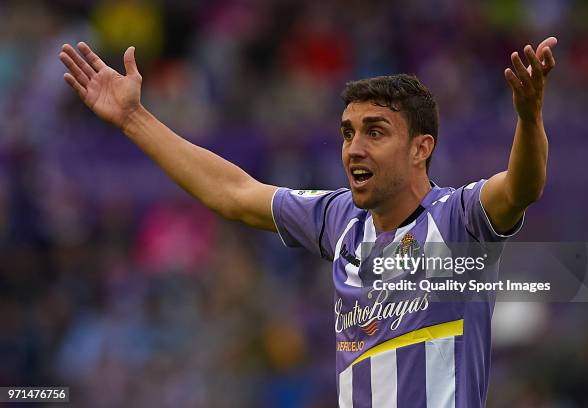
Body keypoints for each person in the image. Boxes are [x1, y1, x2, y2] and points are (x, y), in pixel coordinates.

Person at [59, 36, 557, 407]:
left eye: (375, 131)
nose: (355, 147)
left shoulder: (459, 219)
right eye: (347, 132)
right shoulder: (338, 218)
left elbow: (522, 186)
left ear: (420, 149)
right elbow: (234, 193)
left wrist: (529, 115)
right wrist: (133, 119)